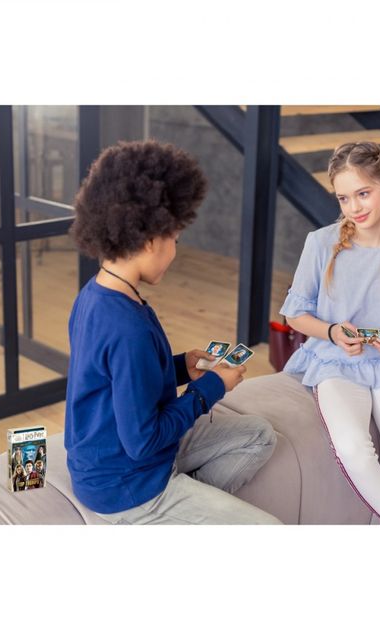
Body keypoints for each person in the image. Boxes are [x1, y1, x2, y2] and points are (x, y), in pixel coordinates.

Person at [64, 140, 280, 525]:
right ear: (150, 241)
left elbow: (116, 380)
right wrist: (212, 386)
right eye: (175, 240)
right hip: (126, 485)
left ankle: (186, 507)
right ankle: (168, 512)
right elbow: (143, 440)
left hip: (114, 457)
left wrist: (181, 367)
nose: (176, 252)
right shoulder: (127, 328)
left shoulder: (96, 294)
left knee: (260, 435)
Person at [280, 142, 380, 525]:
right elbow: (295, 315)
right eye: (344, 198)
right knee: (354, 449)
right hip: (334, 363)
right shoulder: (320, 243)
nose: (354, 207)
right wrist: (332, 331)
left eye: (363, 193)